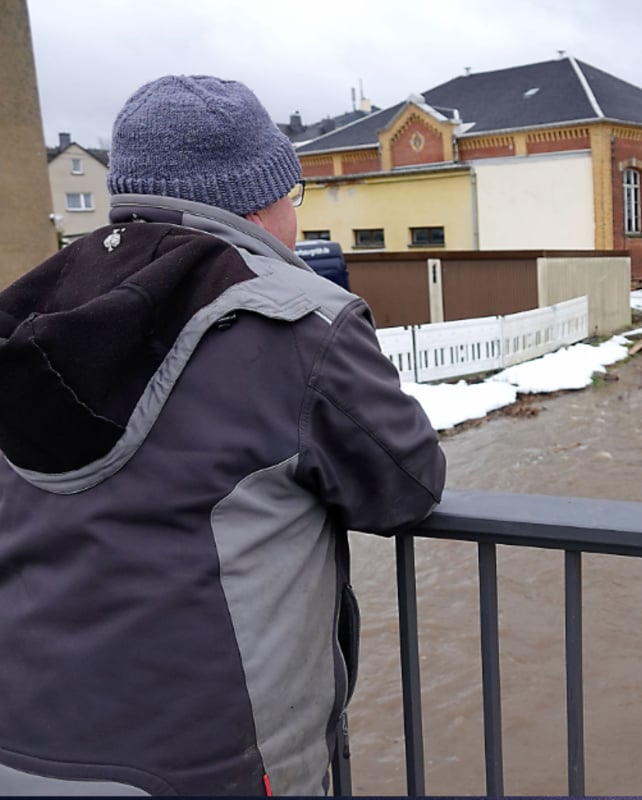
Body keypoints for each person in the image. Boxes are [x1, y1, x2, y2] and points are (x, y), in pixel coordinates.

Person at [0, 75, 446, 795]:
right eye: (291, 195)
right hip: (205, 769)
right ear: (262, 202)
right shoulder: (299, 320)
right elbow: (408, 485)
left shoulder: (32, 307)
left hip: (21, 747)